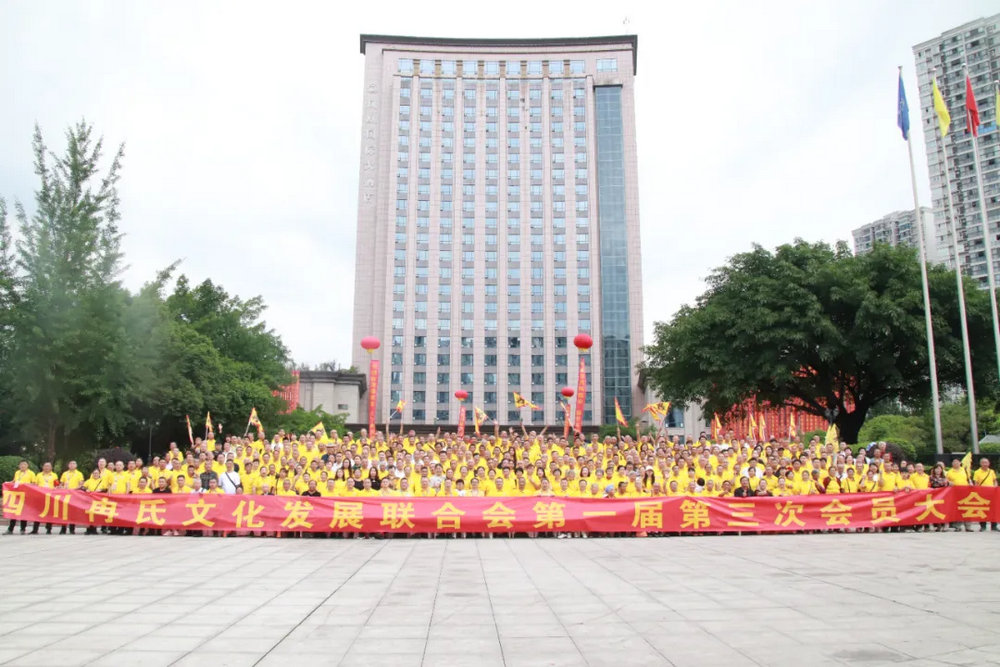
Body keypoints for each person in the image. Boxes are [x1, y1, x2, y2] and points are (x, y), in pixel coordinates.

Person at [6, 461, 36, 534]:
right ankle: (10, 529)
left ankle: (23, 529)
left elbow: (34, 483)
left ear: (27, 466)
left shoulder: (31, 473)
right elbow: (14, 481)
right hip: (16, 495)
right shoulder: (17, 472)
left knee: (24, 512)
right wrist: (7, 483)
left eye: (24, 464)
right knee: (14, 512)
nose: (23, 466)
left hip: (26, 495)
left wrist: (26, 485)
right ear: (19, 466)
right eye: (21, 464)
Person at [972, 458, 998, 532]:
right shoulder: (977, 472)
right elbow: (976, 483)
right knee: (982, 510)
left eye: (986, 462)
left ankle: (994, 526)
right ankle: (983, 526)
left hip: (992, 493)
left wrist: (995, 487)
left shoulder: (991, 471)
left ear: (989, 463)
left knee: (993, 509)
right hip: (982, 494)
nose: (985, 464)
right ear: (980, 464)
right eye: (983, 462)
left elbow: (995, 481)